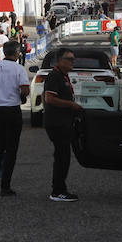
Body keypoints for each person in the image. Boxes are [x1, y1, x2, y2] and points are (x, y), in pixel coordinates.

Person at [0, 41, 31, 196]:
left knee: (0, 145)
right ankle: (5, 185)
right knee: (11, 149)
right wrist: (19, 94)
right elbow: (25, 89)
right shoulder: (19, 69)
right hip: (12, 110)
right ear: (17, 53)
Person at [42, 48, 84, 201]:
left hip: (63, 121)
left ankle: (59, 188)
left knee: (63, 156)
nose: (73, 62)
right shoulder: (54, 76)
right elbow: (49, 98)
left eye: (73, 59)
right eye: (69, 59)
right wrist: (71, 105)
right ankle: (58, 191)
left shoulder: (63, 76)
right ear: (60, 61)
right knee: (62, 156)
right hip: (57, 123)